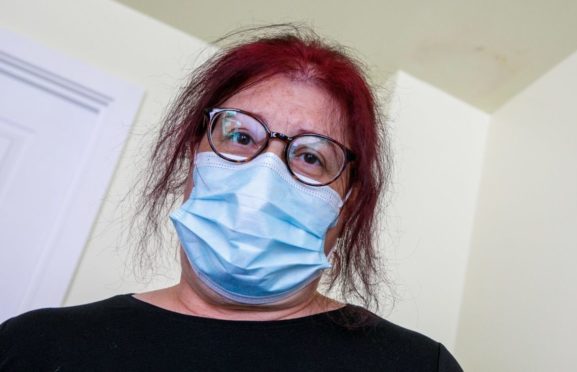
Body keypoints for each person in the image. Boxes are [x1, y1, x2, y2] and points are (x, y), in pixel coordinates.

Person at [0, 27, 463, 371]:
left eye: (310, 157)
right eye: (241, 135)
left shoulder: (418, 365)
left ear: (346, 205)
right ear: (191, 159)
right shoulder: (33, 346)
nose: (265, 175)